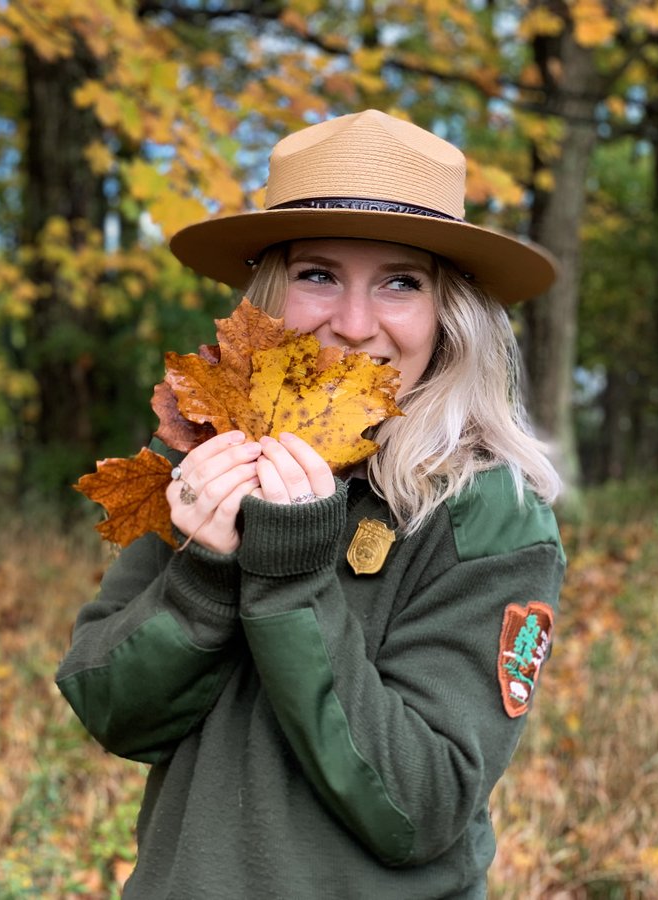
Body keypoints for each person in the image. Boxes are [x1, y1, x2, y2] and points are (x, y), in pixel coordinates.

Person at [55, 109, 566, 898]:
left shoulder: (487, 512)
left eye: (402, 282)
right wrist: (208, 573)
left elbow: (419, 804)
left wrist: (290, 580)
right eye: (317, 275)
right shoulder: (206, 454)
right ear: (268, 296)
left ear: (448, 313)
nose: (354, 326)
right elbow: (111, 710)